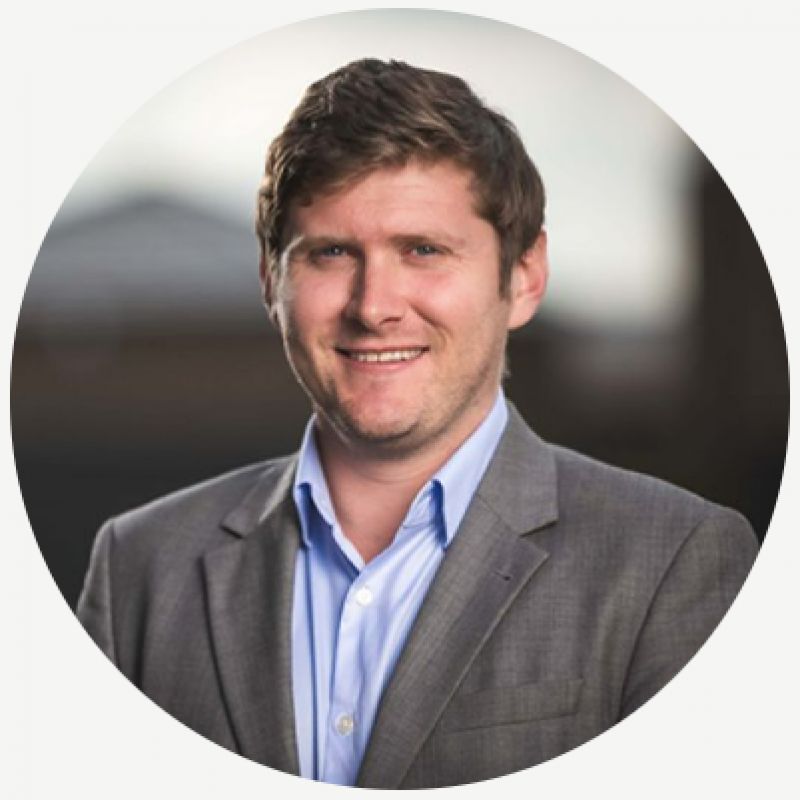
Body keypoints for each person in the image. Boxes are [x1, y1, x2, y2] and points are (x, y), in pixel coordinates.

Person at [76, 58, 758, 788]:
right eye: (332, 253)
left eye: (423, 251)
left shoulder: (673, 563)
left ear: (524, 276)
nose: (374, 307)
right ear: (272, 281)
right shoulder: (140, 568)